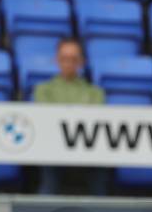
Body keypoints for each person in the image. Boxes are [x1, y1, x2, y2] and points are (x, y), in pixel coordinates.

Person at [34, 38, 107, 195]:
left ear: (81, 61)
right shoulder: (43, 90)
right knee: (48, 176)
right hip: (52, 149)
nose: (68, 63)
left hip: (88, 152)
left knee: (101, 175)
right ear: (57, 60)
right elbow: (47, 118)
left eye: (73, 59)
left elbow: (94, 118)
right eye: (64, 58)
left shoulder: (95, 92)